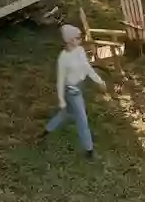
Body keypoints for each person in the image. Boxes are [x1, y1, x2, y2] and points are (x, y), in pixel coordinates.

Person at [44, 23, 105, 157]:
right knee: (82, 119)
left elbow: (87, 67)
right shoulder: (63, 58)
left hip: (80, 86)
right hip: (71, 91)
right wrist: (61, 99)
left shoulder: (80, 50)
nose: (80, 39)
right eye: (78, 37)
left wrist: (99, 81)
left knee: (67, 113)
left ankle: (47, 129)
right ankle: (89, 150)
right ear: (70, 40)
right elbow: (60, 80)